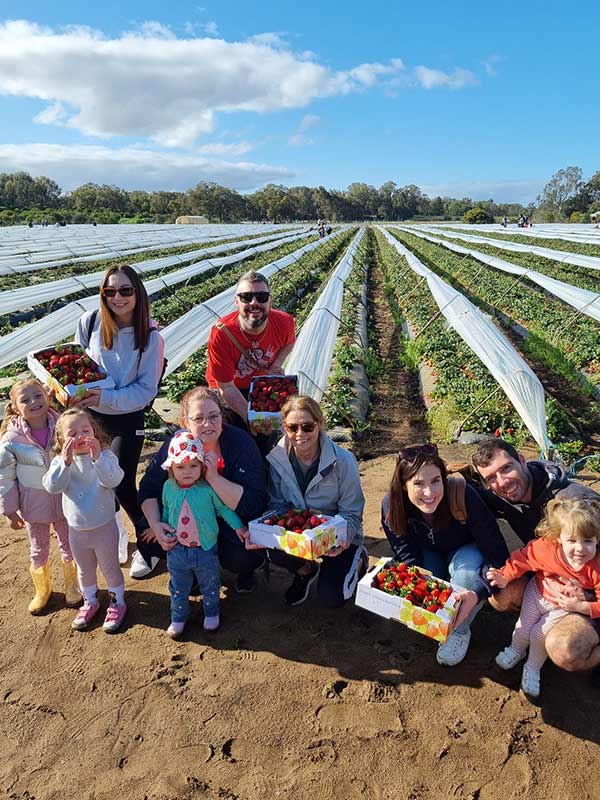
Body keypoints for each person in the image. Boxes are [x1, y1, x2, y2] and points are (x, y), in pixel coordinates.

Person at [472, 437, 600, 674]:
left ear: (522, 460)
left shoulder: (575, 503)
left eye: (506, 468)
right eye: (491, 478)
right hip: (552, 584)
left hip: (590, 593)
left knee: (564, 650)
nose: (502, 482)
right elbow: (471, 500)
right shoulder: (504, 497)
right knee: (500, 594)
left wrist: (586, 594)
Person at [71, 264, 164, 577]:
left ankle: (150, 546)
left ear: (137, 293)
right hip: (93, 416)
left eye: (125, 290)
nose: (117, 297)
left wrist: (106, 398)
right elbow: (79, 366)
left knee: (122, 480)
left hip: (128, 416)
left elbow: (146, 390)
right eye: (109, 291)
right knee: (97, 480)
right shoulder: (91, 321)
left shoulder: (150, 337)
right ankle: (117, 537)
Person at [381, 443, 510, 666]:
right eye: (418, 484)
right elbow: (406, 552)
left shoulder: (463, 495)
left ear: (444, 477)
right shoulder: (392, 506)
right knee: (428, 585)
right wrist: (419, 586)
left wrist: (479, 592)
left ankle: (459, 631)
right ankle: (445, 614)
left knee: (466, 576)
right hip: (429, 552)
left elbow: (497, 553)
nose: (429, 493)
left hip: (465, 550)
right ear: (403, 485)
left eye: (435, 481)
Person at [136, 387, 267, 592]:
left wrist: (213, 477)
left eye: (214, 416)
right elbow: (148, 488)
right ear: (185, 422)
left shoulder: (241, 443)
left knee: (243, 554)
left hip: (229, 517)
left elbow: (253, 503)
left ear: (222, 416)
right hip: (191, 513)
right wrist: (155, 524)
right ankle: (191, 570)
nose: (208, 424)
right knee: (147, 535)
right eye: (198, 419)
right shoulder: (176, 444)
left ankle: (246, 571)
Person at [487, 496, 600, 698]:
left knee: (539, 635)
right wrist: (505, 576)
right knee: (524, 625)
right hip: (537, 593)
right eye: (572, 540)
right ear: (558, 538)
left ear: (597, 539)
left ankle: (533, 667)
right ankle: (516, 649)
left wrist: (581, 606)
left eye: (588, 541)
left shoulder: (596, 567)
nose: (580, 549)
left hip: (563, 606)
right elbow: (523, 558)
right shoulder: (546, 548)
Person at [264, 395, 368, 608]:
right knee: (270, 547)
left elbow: (352, 511)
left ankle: (359, 559)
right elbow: (276, 504)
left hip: (335, 536)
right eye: (293, 428)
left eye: (307, 427)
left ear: (320, 424)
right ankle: (306, 570)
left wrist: (343, 539)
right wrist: (289, 530)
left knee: (332, 597)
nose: (300, 434)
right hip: (301, 533)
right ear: (285, 428)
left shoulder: (343, 461)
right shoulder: (277, 459)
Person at [0, 379, 81, 615]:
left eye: (38, 396)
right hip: (33, 503)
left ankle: (72, 585)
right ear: (15, 407)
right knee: (38, 547)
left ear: (48, 396)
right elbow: (5, 477)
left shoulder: (63, 426)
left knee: (69, 543)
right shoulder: (11, 440)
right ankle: (42, 590)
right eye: (25, 400)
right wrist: (9, 510)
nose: (34, 402)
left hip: (65, 500)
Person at [42, 409, 127, 633]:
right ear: (61, 439)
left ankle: (117, 602)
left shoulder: (105, 455)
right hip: (77, 530)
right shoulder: (60, 462)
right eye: (73, 433)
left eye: (85, 430)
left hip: (104, 527)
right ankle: (90, 601)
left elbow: (114, 479)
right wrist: (66, 462)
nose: (80, 436)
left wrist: (98, 458)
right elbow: (52, 487)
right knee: (84, 569)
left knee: (110, 568)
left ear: (95, 432)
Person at [158, 431, 247, 638]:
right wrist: (161, 527)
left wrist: (238, 526)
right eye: (180, 467)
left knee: (210, 584)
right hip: (177, 550)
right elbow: (165, 509)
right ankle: (178, 618)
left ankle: (212, 613)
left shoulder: (208, 489)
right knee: (178, 587)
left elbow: (224, 510)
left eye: (193, 466)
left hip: (205, 548)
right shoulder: (168, 487)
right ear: (171, 467)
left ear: (202, 466)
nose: (187, 471)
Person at [205, 270, 295, 453]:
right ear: (236, 301)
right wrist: (251, 419)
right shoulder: (222, 333)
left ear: (270, 300)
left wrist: (276, 364)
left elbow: (289, 343)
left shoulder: (284, 322)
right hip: (230, 388)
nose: (254, 303)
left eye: (261, 296)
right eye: (246, 297)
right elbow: (226, 387)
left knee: (268, 441)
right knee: (236, 440)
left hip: (261, 385)